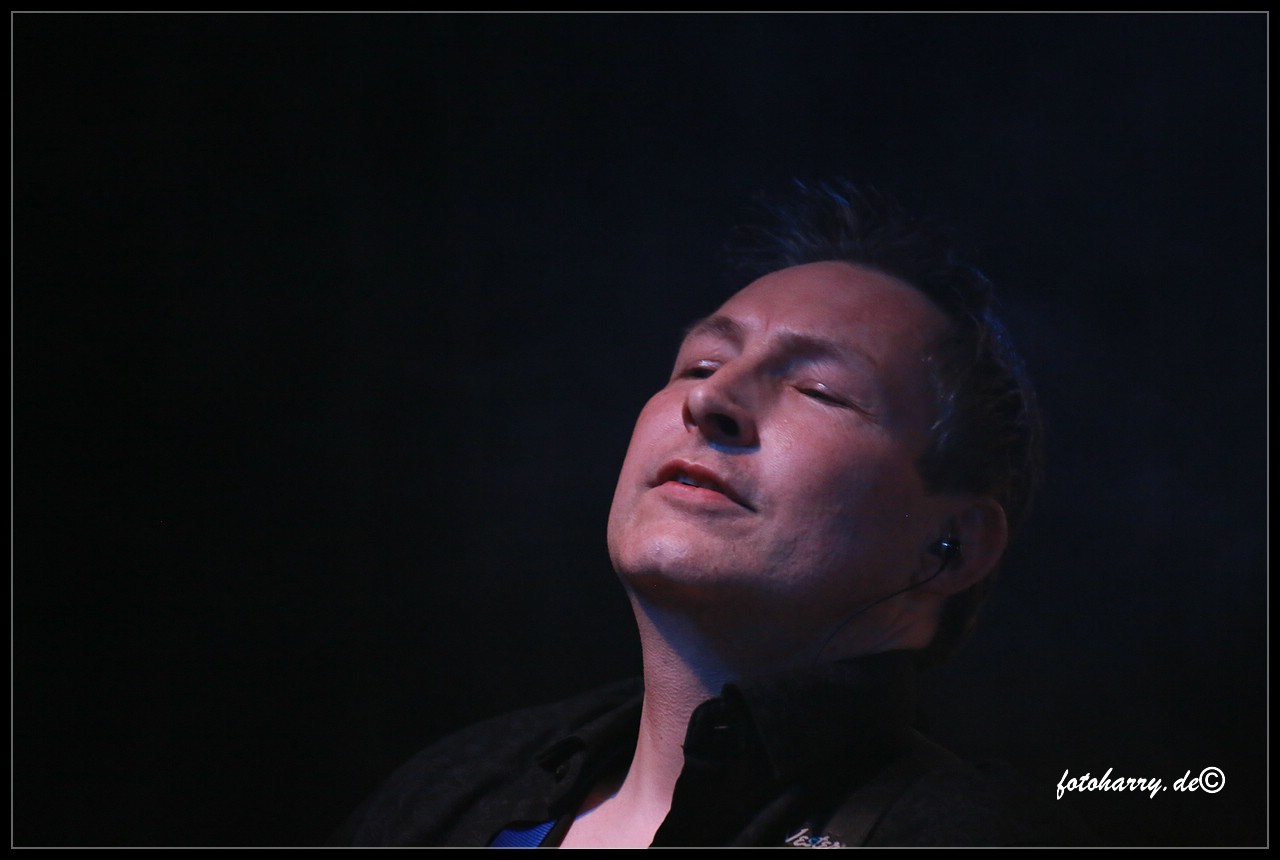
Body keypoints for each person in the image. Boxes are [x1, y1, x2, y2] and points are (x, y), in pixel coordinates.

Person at [334, 180, 1085, 847]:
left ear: (952, 544)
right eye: (700, 364)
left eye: (821, 390)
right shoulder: (449, 794)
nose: (709, 399)